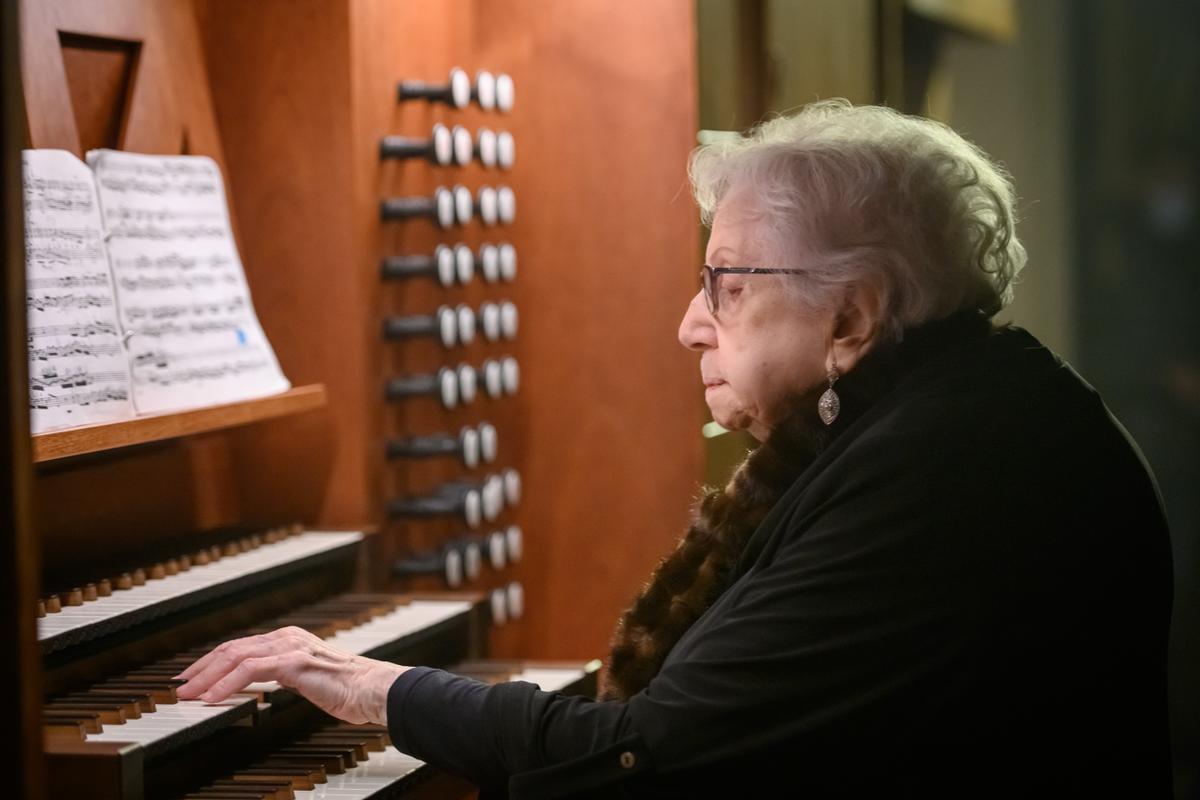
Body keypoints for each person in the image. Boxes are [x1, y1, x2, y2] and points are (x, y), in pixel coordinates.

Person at [175, 100, 1174, 798]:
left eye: (727, 285)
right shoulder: (948, 411)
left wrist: (379, 686)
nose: (689, 325)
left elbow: (650, 753)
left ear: (853, 319)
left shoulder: (947, 473)